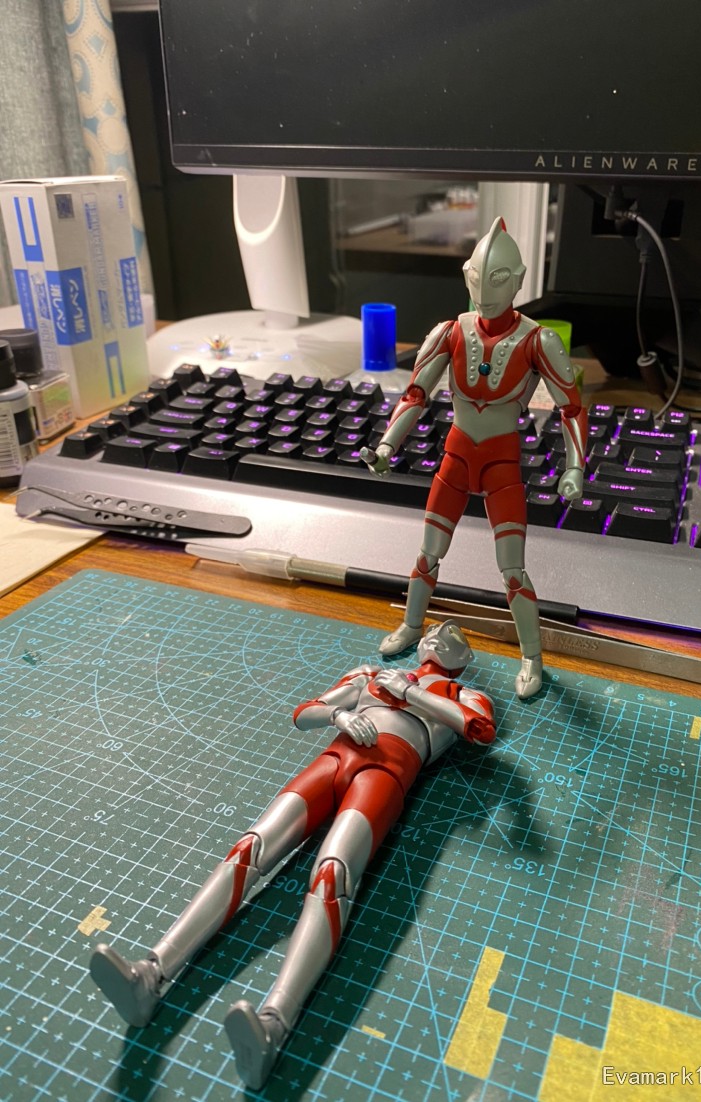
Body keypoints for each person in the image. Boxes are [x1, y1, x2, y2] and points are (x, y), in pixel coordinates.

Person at [89, 620, 495, 1089]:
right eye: (435, 628)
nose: (440, 632)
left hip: (385, 774)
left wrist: (411, 693)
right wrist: (340, 717)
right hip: (333, 759)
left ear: (463, 659)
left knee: (333, 875)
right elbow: (305, 713)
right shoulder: (369, 673)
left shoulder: (463, 694)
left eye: (453, 634)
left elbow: (479, 730)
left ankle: (273, 1026)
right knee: (250, 847)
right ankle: (149, 974)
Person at [362, 217, 587, 699]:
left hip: (502, 465)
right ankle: (412, 624)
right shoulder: (450, 331)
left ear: (518, 280)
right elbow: (415, 394)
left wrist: (574, 467)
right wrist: (386, 446)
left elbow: (571, 407)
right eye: (478, 278)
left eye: (498, 280)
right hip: (457, 457)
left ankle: (532, 656)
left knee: (512, 571)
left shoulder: (538, 340)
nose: (486, 292)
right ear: (467, 276)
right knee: (428, 554)